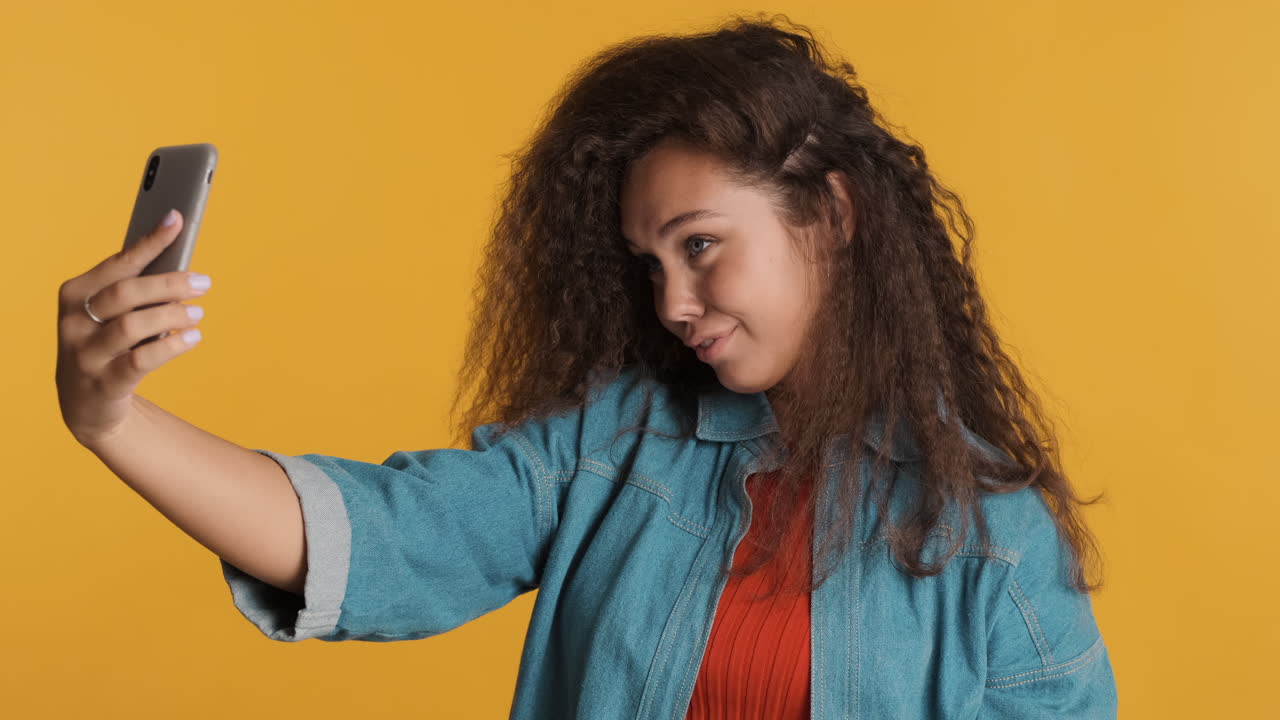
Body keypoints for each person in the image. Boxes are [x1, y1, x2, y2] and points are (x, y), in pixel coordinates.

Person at [55, 13, 1118, 719]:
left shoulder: (992, 539)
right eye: (647, 264)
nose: (671, 304)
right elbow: (373, 535)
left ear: (830, 214)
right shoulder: (611, 447)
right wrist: (113, 422)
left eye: (699, 246)